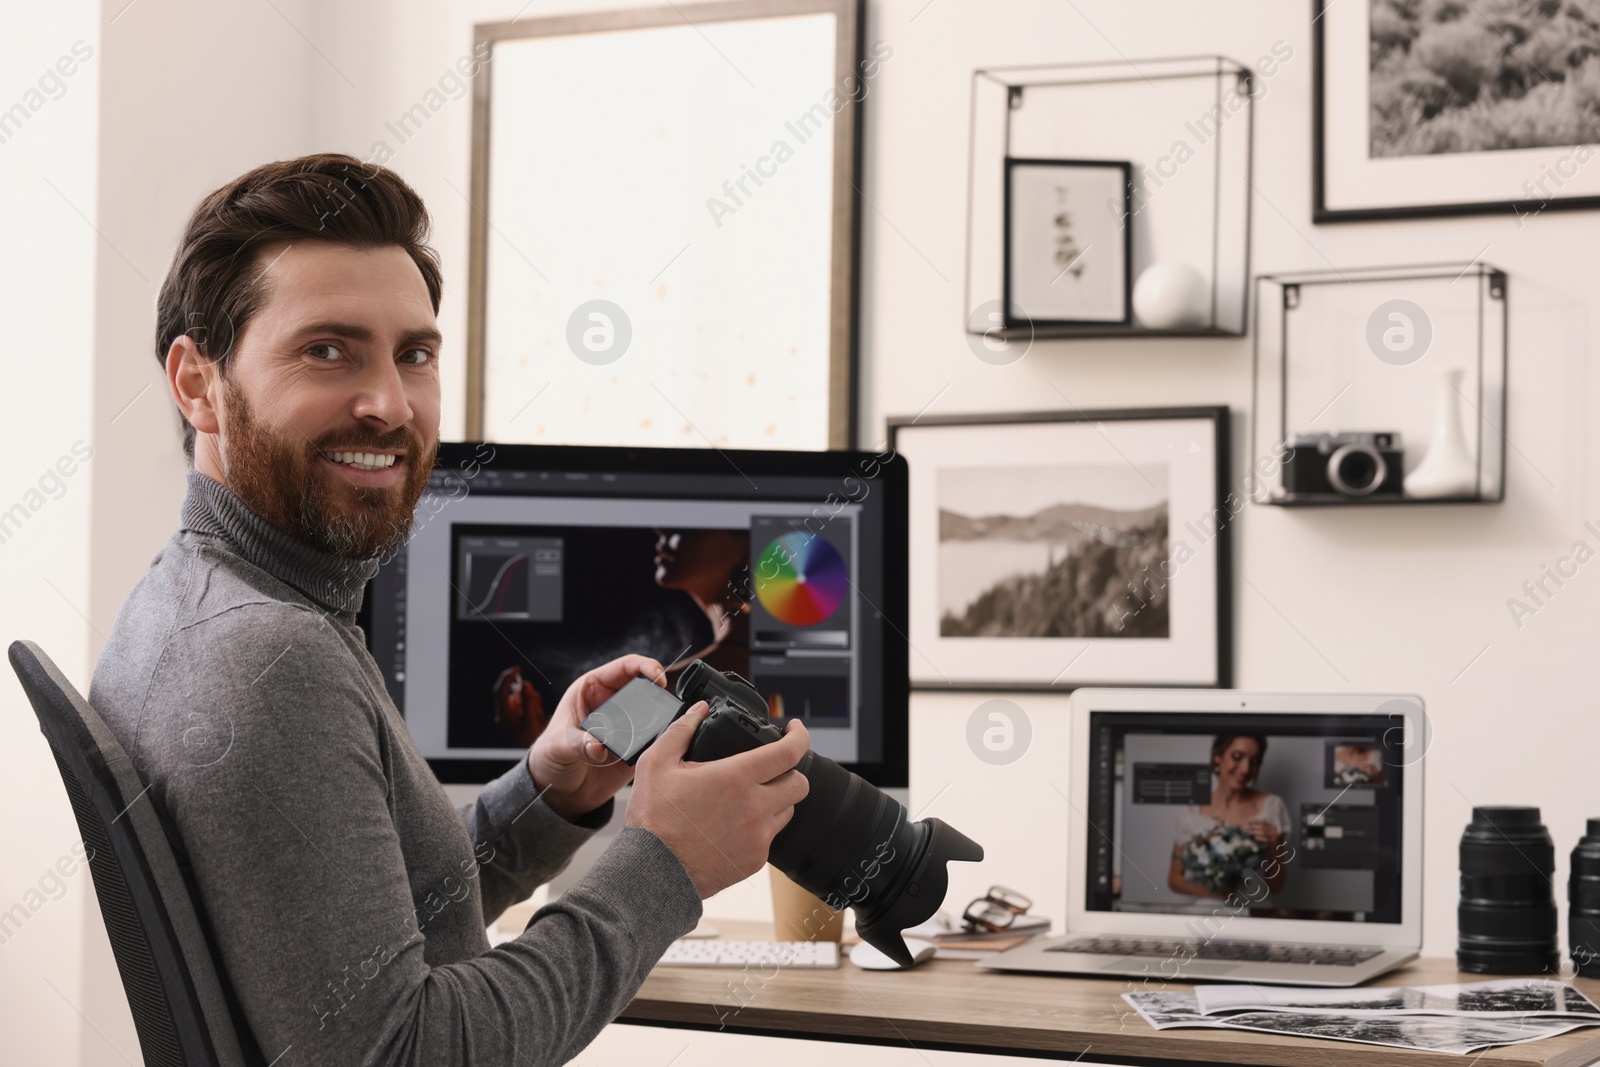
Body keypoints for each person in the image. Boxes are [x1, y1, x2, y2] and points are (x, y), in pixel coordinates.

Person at [89, 153, 810, 1067]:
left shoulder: (194, 603)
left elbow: (352, 938)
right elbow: (406, 1051)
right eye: (327, 349)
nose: (389, 404)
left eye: (415, 355)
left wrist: (545, 793)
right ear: (196, 383)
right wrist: (665, 859)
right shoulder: (268, 656)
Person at [1166, 734, 1289, 900]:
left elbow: (1276, 887)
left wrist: (1275, 846)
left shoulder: (1271, 806)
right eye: (1237, 757)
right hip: (1207, 916)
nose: (1245, 769)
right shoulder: (1191, 811)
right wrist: (1222, 894)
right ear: (1218, 756)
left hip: (1252, 915)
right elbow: (1175, 880)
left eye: (1254, 762)